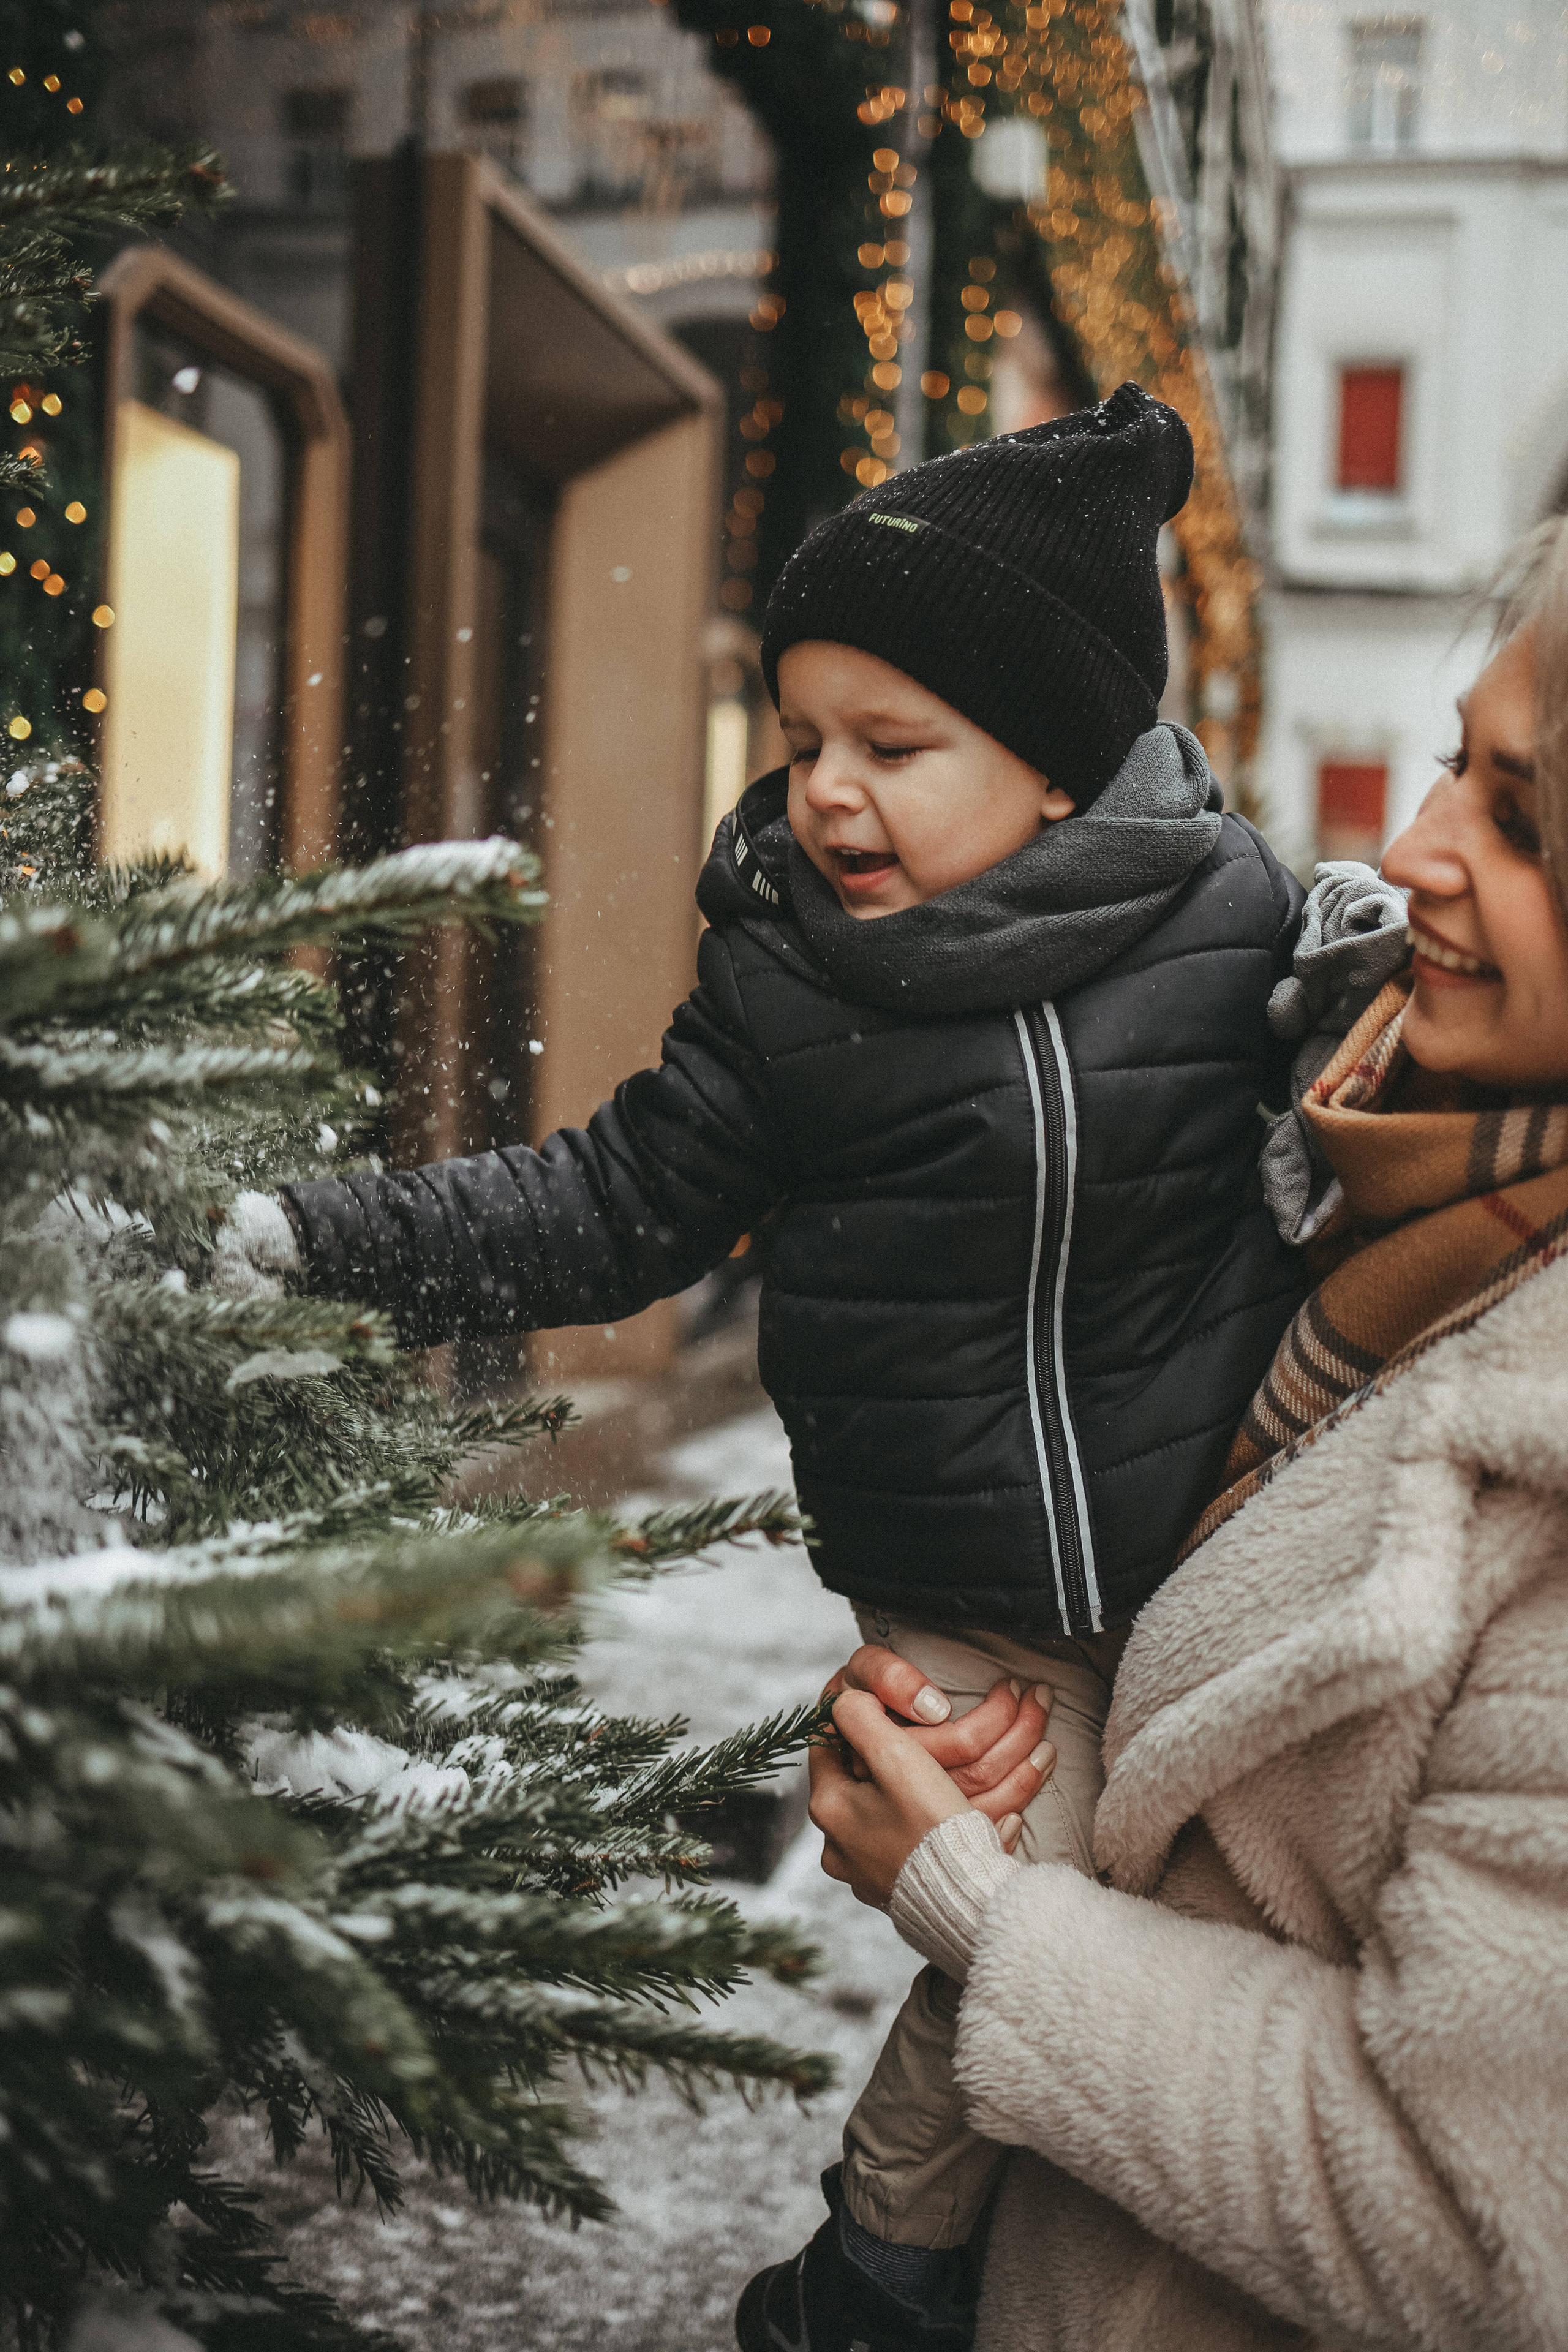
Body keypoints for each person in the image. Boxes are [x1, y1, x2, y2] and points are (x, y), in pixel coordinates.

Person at [215, 385, 1316, 2348]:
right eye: (804, 741)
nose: (827, 793)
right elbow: (612, 1203)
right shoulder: (790, 988)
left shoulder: (1238, 922)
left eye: (893, 747)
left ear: (1059, 764)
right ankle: (878, 2273)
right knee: (1036, 1909)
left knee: (1233, 1927)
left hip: (1215, 1549)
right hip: (969, 1596)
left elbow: (1362, 1131)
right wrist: (312, 1238)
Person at [808, 521, 1568, 2351]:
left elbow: (1474, 2227)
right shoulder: (1345, 1151)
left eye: (1525, 824)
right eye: (1456, 765)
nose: (1417, 850)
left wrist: (972, 1898)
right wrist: (998, 1723)